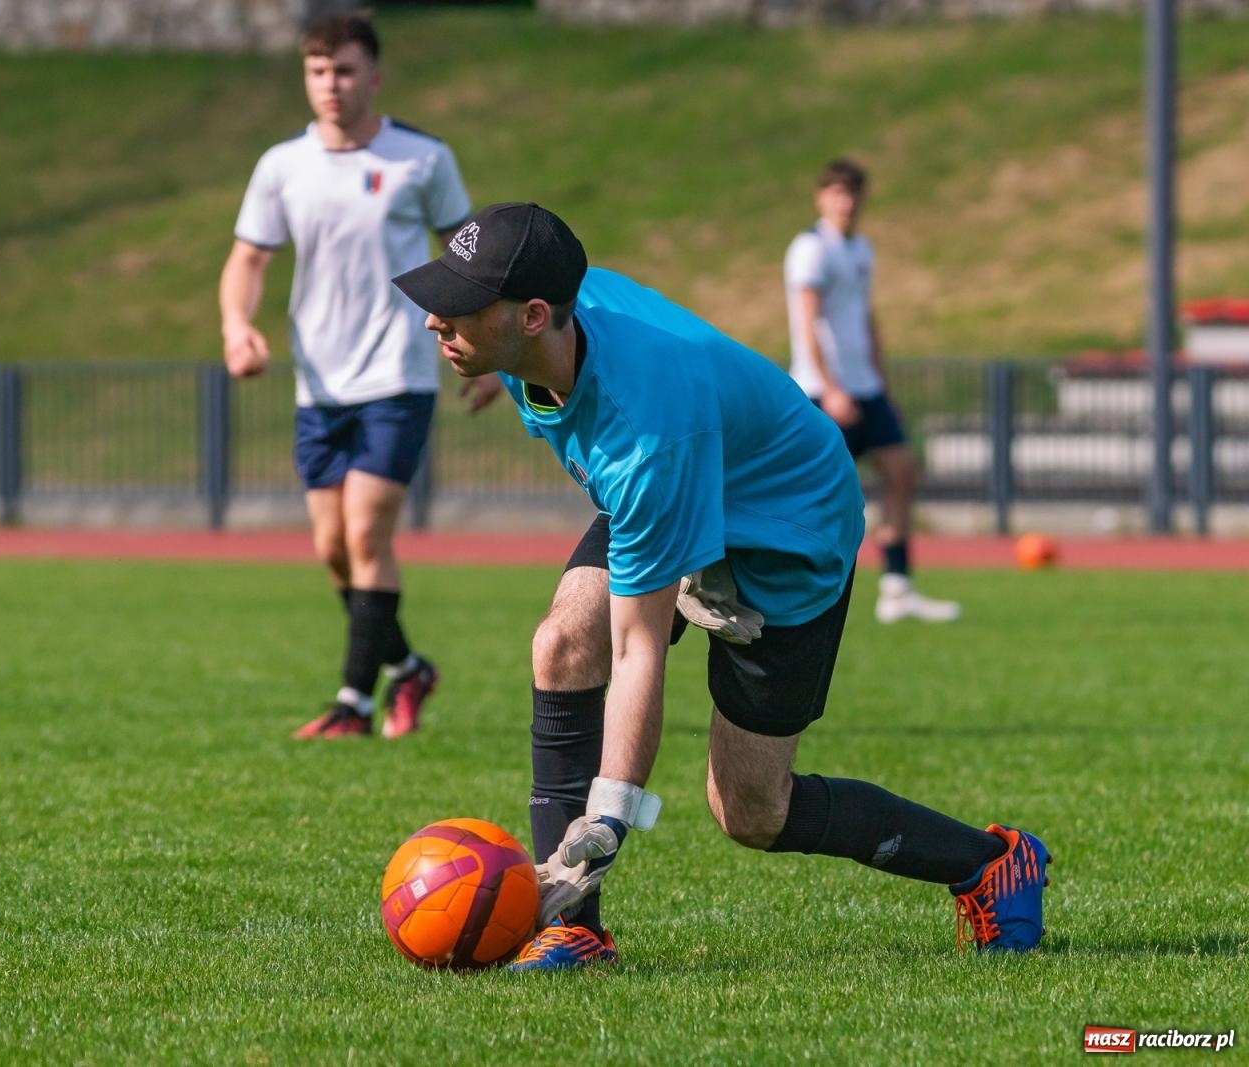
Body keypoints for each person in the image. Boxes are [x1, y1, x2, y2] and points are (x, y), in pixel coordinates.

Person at [393, 202, 1051, 971]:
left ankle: (990, 861)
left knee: (752, 810)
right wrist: (493, 358)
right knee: (565, 640)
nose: (437, 320)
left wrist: (609, 819)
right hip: (691, 483)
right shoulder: (551, 323)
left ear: (534, 316)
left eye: (462, 308)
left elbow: (639, 651)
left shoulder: (646, 440)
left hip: (785, 531)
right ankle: (574, 926)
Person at [219, 14, 497, 740]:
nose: (331, 85)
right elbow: (249, 260)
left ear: (373, 77)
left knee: (367, 534)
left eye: (344, 71)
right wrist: (236, 325)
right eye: (317, 72)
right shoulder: (282, 165)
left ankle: (355, 703)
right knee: (332, 548)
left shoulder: (422, 159)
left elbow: (469, 257)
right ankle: (408, 667)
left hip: (397, 373)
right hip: (319, 382)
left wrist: (491, 352)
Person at [785, 159, 961, 623]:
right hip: (826, 391)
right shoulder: (810, 249)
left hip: (865, 386)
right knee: (815, 493)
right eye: (837, 192)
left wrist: (881, 381)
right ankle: (790, 589)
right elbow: (809, 323)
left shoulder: (860, 249)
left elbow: (863, 318)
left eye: (854, 192)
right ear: (821, 197)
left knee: (902, 471)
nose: (846, 201)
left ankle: (898, 588)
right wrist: (832, 387)